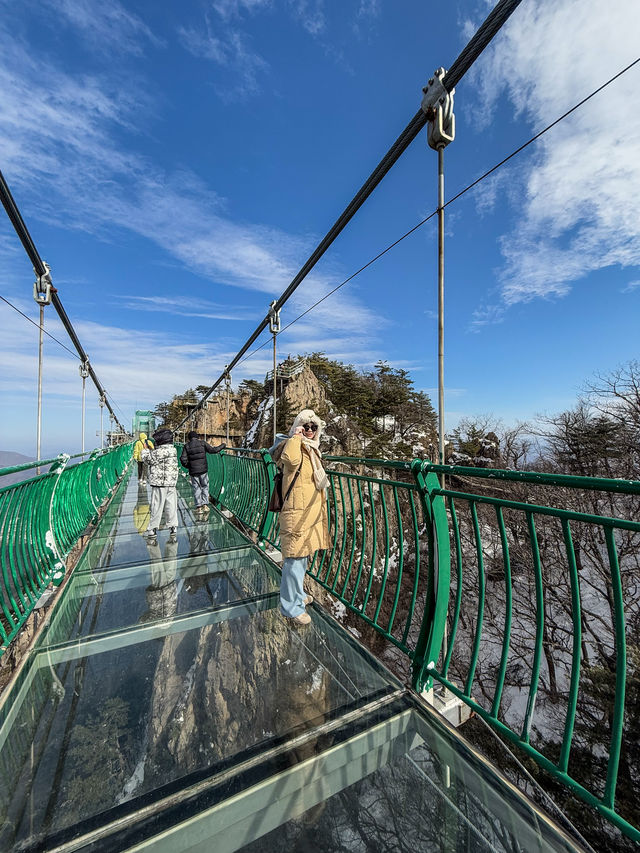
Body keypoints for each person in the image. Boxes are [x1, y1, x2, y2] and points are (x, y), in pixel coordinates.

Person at [272, 409, 329, 626]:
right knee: (294, 561)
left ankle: (297, 596)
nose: (310, 430)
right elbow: (290, 460)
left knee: (302, 558)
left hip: (308, 513)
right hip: (297, 513)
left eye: (314, 427)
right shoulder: (294, 446)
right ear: (298, 426)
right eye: (306, 426)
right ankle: (290, 608)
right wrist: (295, 437)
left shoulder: (312, 449)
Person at [142, 427, 179, 541]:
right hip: (171, 482)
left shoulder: (159, 451)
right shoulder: (173, 450)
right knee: (171, 505)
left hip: (160, 483)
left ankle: (152, 529)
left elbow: (147, 460)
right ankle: (173, 526)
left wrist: (145, 450)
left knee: (156, 506)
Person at [179, 431, 226, 519]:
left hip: (193, 472)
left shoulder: (187, 446)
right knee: (205, 486)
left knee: (196, 488)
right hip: (203, 470)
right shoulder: (202, 443)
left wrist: (189, 466)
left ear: (189, 438)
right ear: (197, 437)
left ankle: (199, 507)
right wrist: (222, 445)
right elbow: (213, 450)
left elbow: (183, 459)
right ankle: (205, 505)